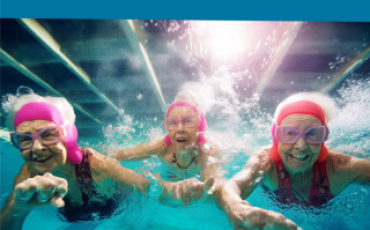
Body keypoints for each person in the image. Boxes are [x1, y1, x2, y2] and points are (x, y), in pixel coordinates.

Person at [0, 90, 214, 229]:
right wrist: (17, 208)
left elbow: (148, 186)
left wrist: (179, 190)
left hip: (117, 208)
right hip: (78, 218)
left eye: (48, 134)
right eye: (24, 139)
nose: (36, 148)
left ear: (67, 135)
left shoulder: (96, 165)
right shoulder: (28, 177)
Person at [214, 92, 370, 230]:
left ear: (323, 138)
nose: (301, 145)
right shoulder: (266, 162)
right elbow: (233, 185)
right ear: (276, 137)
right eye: (289, 133)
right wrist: (235, 207)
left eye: (313, 134)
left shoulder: (339, 167)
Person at [111, 100, 222, 182]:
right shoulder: (160, 147)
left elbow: (212, 188)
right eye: (173, 123)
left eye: (188, 121)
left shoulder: (209, 152)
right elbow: (119, 156)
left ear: (199, 126)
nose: (180, 129)